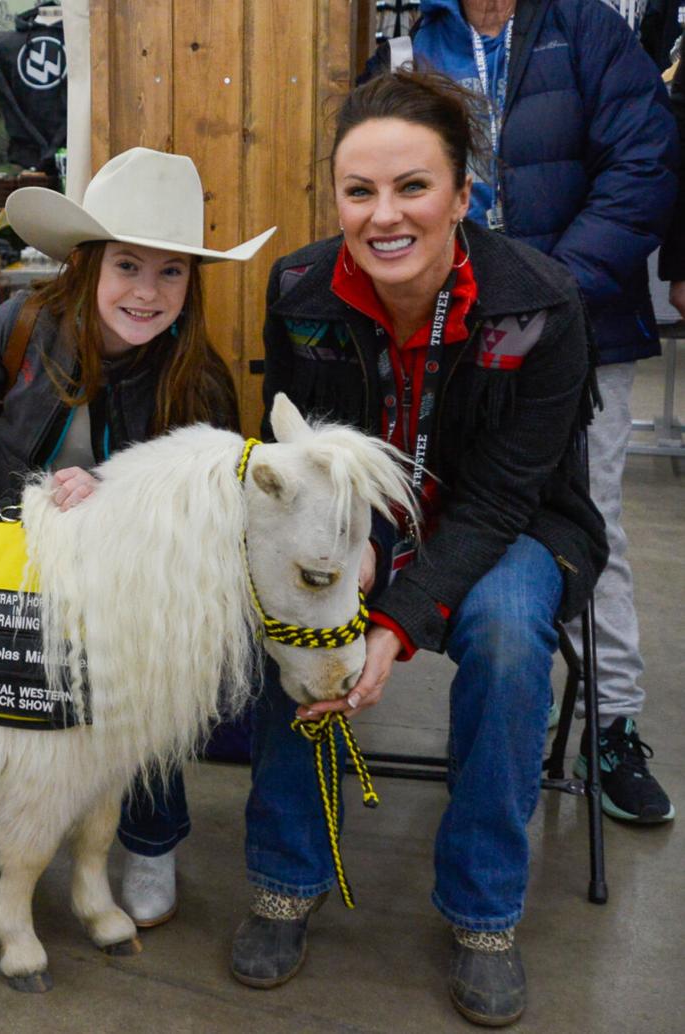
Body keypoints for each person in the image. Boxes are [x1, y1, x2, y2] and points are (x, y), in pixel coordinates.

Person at [231, 70, 606, 1027]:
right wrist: (347, 554)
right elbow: (305, 454)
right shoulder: (301, 289)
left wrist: (396, 621)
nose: (383, 215)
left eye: (413, 187)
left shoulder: (543, 304)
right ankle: (286, 875)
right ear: (336, 198)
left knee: (509, 635)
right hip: (367, 520)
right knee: (293, 612)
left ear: (462, 195)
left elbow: (501, 499)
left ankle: (484, 912)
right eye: (360, 191)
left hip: (512, 526)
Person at [0, 147, 271, 927]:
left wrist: (115, 496)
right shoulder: (22, 324)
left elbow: (207, 506)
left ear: (192, 285)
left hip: (135, 578)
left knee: (138, 708)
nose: (147, 293)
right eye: (128, 266)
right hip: (19, 548)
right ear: (89, 267)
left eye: (171, 273)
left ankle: (149, 840)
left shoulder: (200, 382)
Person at [368, 0, 676, 825]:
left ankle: (610, 727)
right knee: (444, 509)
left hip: (581, 329)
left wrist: (549, 300)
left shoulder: (588, 27)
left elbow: (643, 161)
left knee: (588, 522)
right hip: (444, 337)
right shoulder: (407, 37)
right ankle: (518, 701)